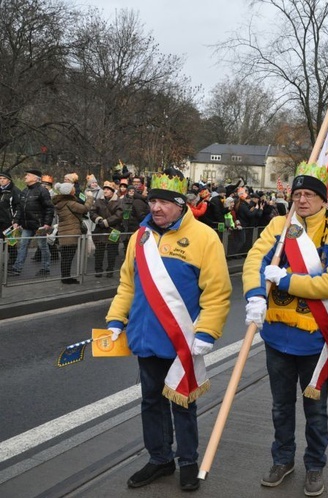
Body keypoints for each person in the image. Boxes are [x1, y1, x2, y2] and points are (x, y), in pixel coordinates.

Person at [104, 168, 231, 491]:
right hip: (146, 338)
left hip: (182, 341)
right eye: (152, 202)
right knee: (150, 402)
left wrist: (207, 333)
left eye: (163, 203)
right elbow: (127, 284)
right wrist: (116, 320)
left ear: (181, 205)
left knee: (183, 403)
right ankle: (159, 458)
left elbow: (216, 292)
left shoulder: (204, 238)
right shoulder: (140, 237)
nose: (156, 208)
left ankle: (188, 461)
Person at [242, 162, 328, 496]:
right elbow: (254, 261)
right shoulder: (279, 224)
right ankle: (283, 459)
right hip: (277, 337)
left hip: (314, 341)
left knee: (315, 411)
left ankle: (315, 466)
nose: (302, 200)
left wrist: (286, 280)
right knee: (280, 407)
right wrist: (254, 295)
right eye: (298, 194)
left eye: (309, 194)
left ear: (323, 200)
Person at [10, 169, 55, 276]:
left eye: (28, 175)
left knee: (43, 247)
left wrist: (47, 224)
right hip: (27, 225)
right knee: (23, 246)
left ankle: (45, 268)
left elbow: (49, 208)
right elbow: (20, 208)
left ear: (35, 178)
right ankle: (17, 268)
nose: (25, 177)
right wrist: (16, 221)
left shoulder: (43, 191)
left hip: (39, 226)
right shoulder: (25, 191)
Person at [52, 182, 94, 283]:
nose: (74, 190)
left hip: (63, 232)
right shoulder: (70, 203)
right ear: (70, 191)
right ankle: (67, 279)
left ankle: (65, 277)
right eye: (73, 189)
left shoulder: (60, 203)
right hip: (72, 233)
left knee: (65, 257)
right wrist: (90, 198)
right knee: (69, 257)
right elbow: (85, 209)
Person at [90, 181, 123, 278]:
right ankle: (98, 270)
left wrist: (106, 222)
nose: (105, 191)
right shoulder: (98, 201)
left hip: (113, 230)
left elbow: (119, 215)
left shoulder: (118, 202)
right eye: (104, 189)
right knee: (99, 252)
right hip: (100, 230)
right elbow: (92, 212)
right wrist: (98, 219)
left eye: (108, 189)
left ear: (112, 191)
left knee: (112, 252)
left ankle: (110, 270)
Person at [0, 171, 21, 266]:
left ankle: (13, 261)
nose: (1, 180)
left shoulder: (14, 191)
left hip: (9, 222)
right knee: (1, 242)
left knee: (11, 242)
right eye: (0, 179)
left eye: (4, 179)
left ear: (9, 180)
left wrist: (15, 220)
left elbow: (18, 206)